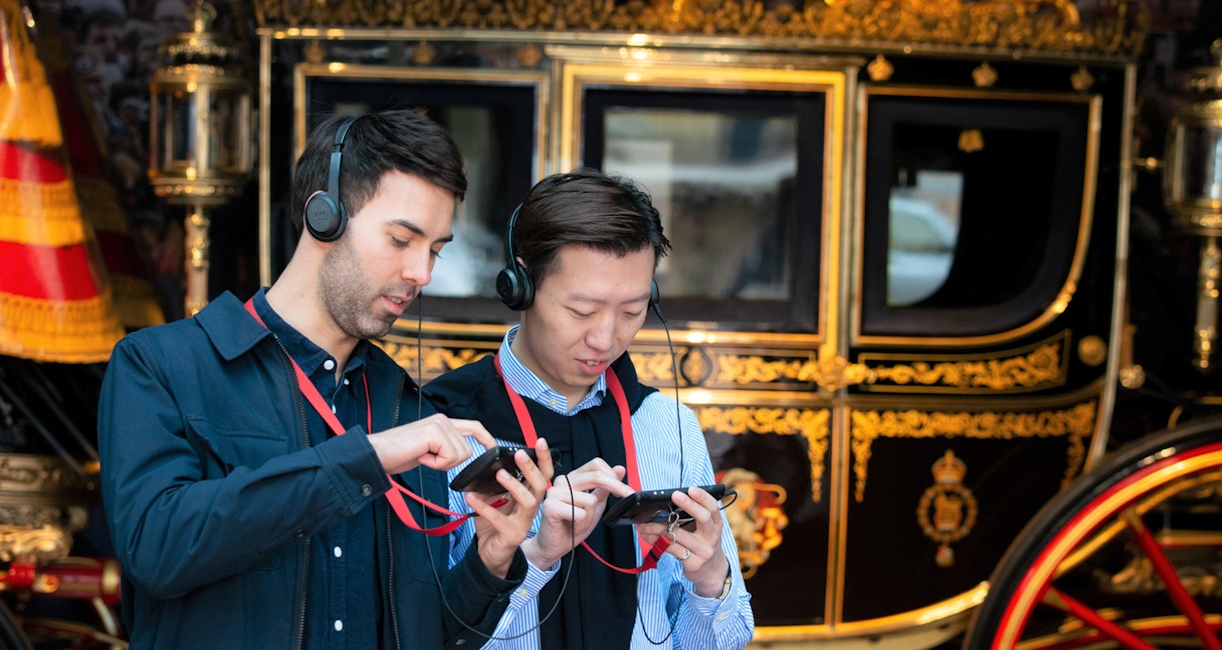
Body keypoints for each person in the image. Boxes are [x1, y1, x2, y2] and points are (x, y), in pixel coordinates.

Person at [98, 109, 553, 650]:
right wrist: (367, 458)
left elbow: (426, 632)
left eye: (434, 249)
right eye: (401, 239)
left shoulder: (403, 403)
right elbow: (157, 549)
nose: (422, 274)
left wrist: (492, 556)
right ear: (323, 216)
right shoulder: (161, 365)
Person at [425, 169, 755, 649]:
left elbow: (728, 639)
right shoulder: (446, 426)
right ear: (520, 284)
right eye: (581, 311)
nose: (606, 339)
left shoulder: (667, 425)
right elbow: (422, 634)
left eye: (632, 311)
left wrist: (710, 581)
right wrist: (534, 557)